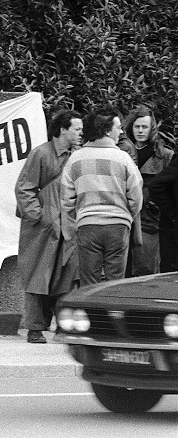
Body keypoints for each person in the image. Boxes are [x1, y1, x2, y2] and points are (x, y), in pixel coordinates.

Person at [15, 110, 83, 344]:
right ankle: (35, 328)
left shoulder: (77, 156)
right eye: (76, 128)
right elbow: (24, 188)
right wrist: (40, 217)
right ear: (63, 129)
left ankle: (63, 326)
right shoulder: (41, 154)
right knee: (38, 277)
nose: (80, 133)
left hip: (68, 226)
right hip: (42, 229)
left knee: (66, 278)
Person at [61, 107, 143, 286]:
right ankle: (111, 313)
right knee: (114, 283)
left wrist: (71, 227)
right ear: (106, 130)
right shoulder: (123, 158)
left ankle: (91, 313)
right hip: (118, 226)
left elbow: (67, 200)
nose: (120, 131)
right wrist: (126, 214)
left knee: (89, 283)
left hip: (87, 225)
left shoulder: (75, 159)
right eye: (118, 127)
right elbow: (136, 196)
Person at [124, 105, 173, 276]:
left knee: (146, 270)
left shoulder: (165, 155)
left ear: (152, 128)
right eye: (136, 126)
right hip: (126, 215)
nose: (140, 131)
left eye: (144, 127)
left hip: (150, 220)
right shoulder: (123, 152)